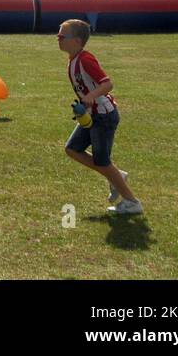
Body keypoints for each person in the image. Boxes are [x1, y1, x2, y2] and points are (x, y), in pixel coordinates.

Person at [58, 19, 142, 215]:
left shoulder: (86, 59)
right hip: (92, 115)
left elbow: (107, 84)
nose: (58, 39)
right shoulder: (74, 59)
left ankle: (132, 202)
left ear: (77, 41)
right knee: (72, 149)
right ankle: (116, 176)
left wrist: (88, 98)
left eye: (62, 36)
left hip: (103, 117)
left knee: (103, 161)